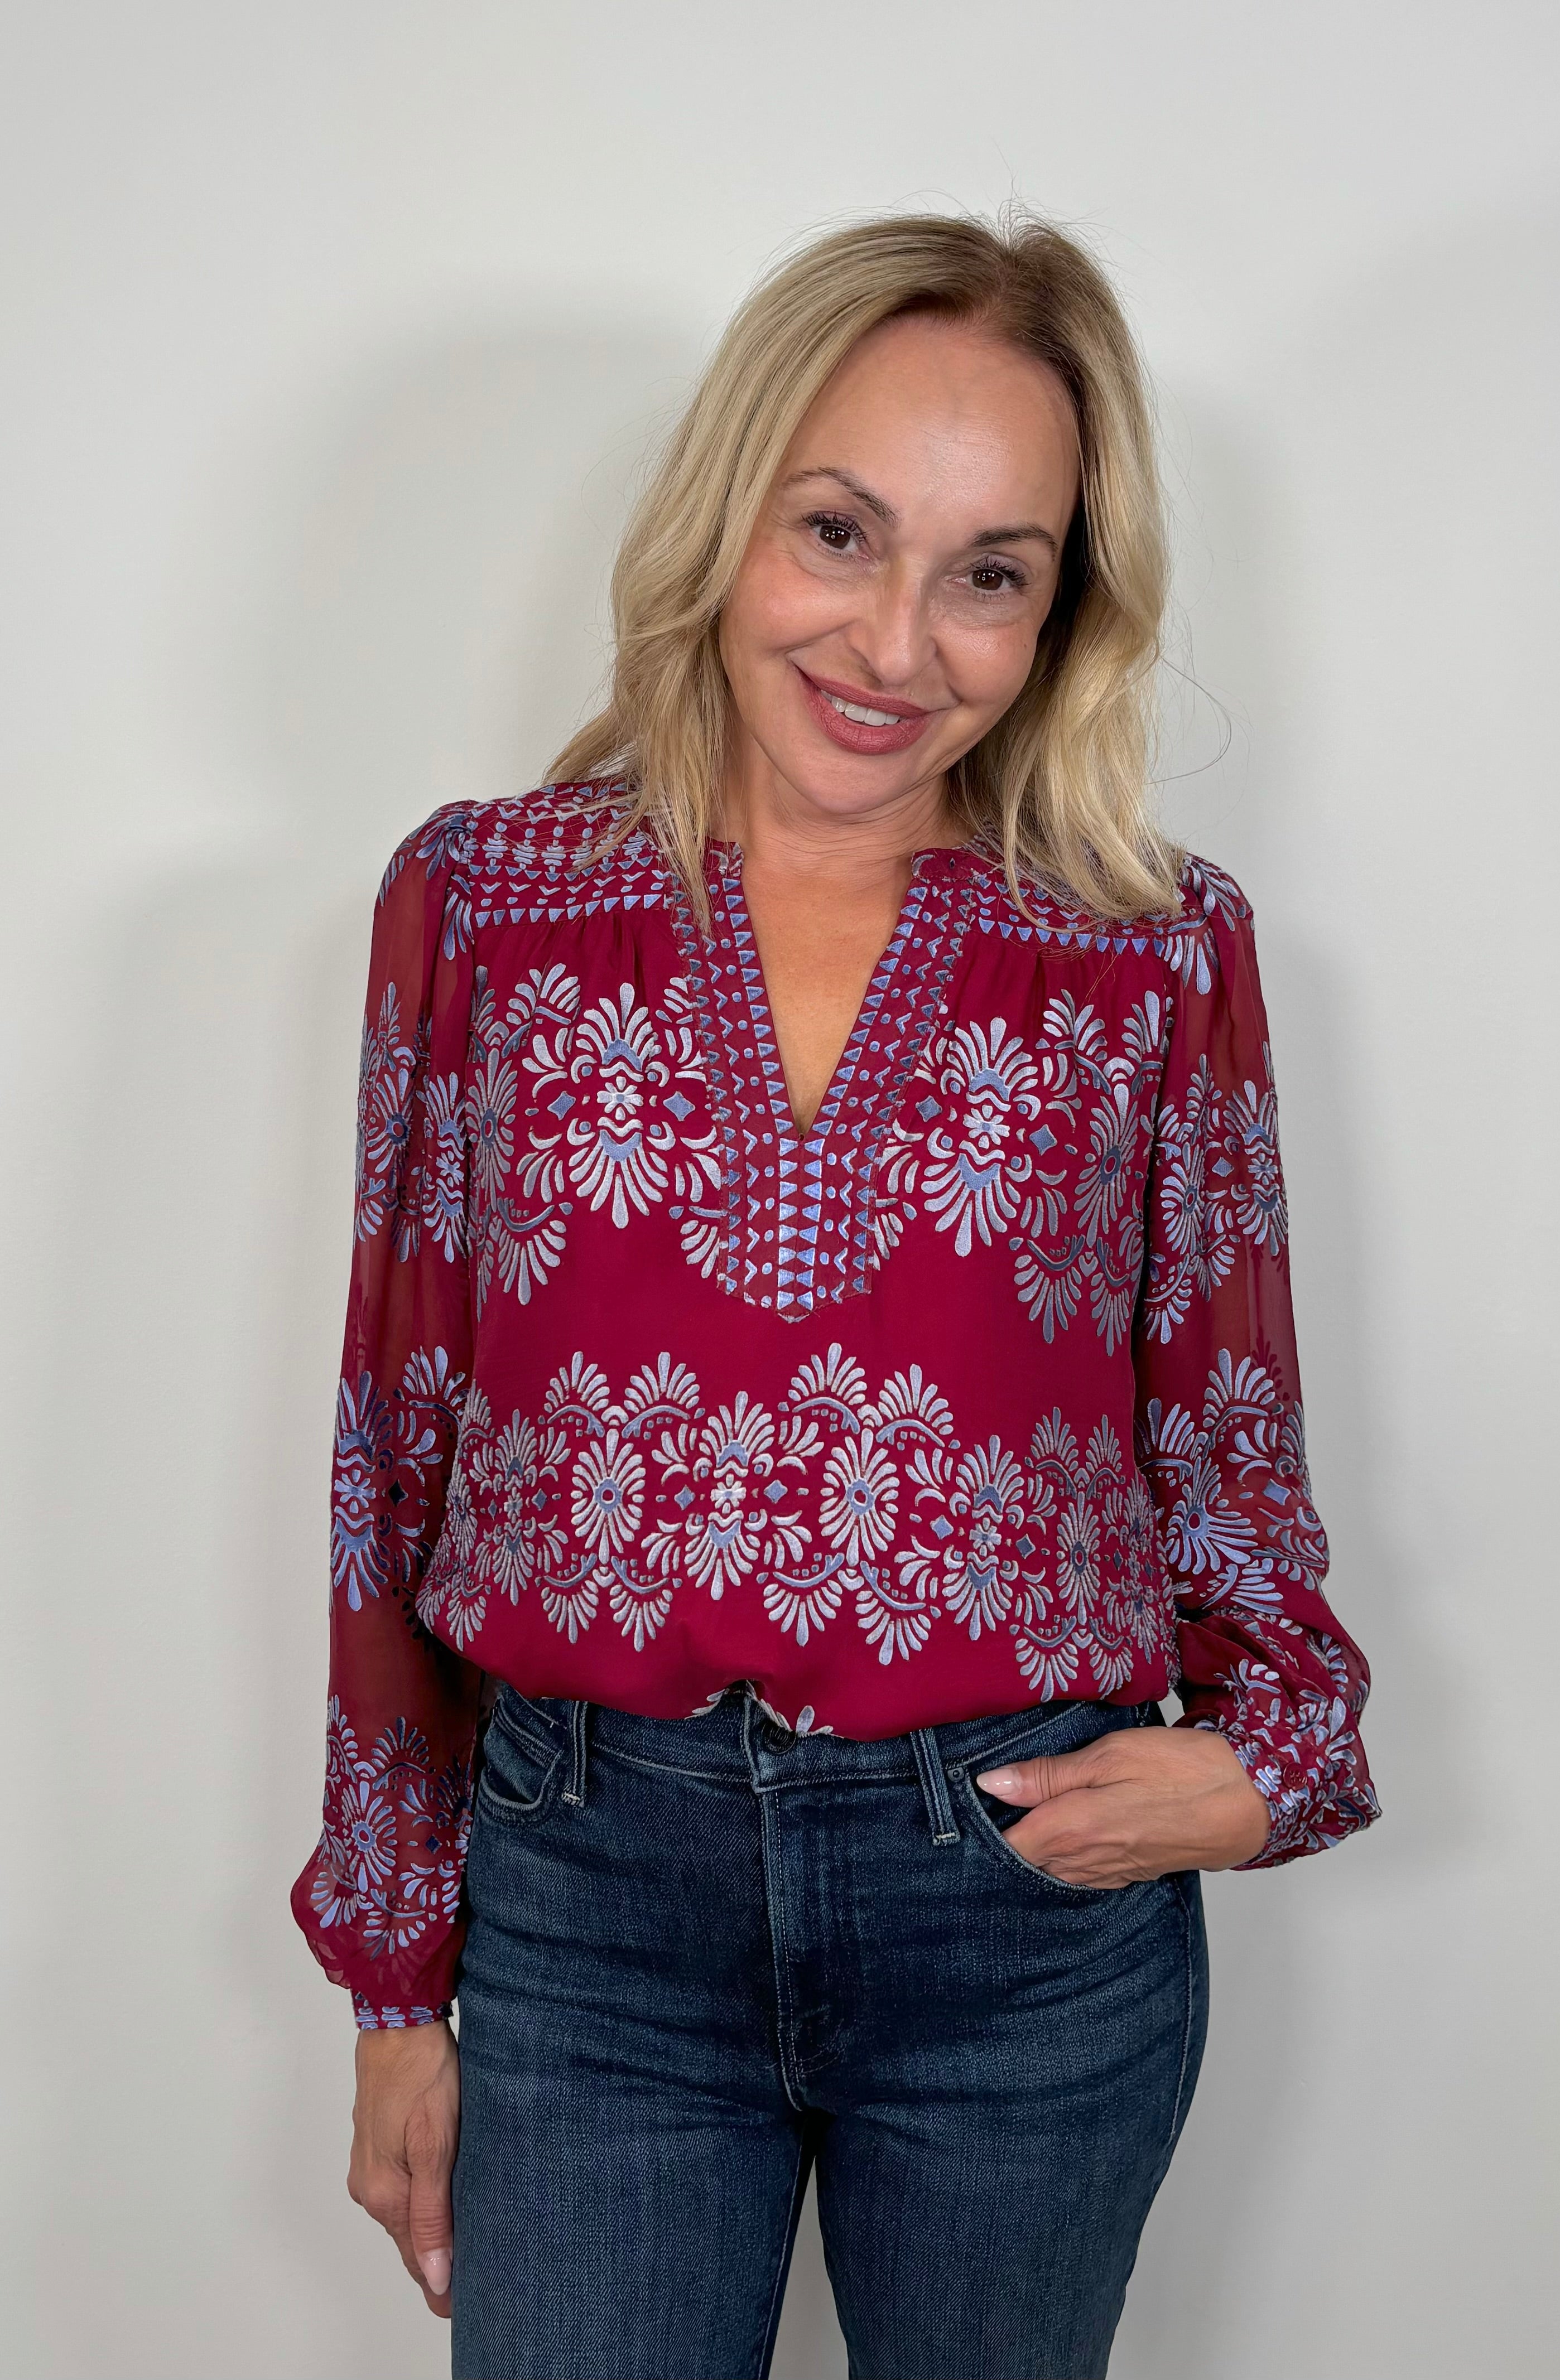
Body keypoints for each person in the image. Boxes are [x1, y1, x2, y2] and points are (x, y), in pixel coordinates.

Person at [292, 209, 1379, 2380]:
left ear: (1061, 607)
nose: (899, 636)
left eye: (990, 568)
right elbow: (389, 1454)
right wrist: (399, 1987)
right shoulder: (486, 902)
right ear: (726, 517)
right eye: (840, 530)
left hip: (1015, 1916)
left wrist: (1275, 1755)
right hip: (591, 1910)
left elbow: (1224, 1436)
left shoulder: (1146, 947)